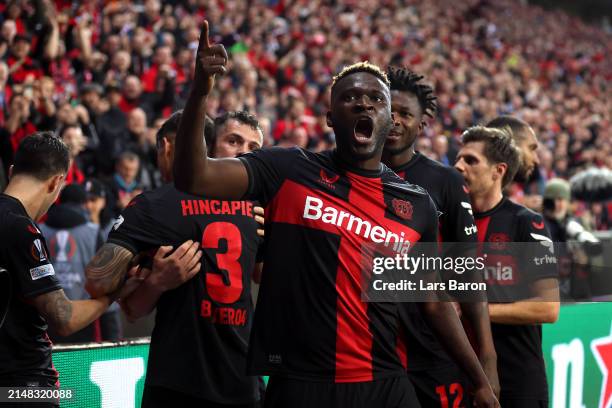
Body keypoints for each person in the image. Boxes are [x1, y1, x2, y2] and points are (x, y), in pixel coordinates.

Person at [172, 21, 498, 408]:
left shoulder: (418, 206)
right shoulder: (287, 169)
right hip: (301, 384)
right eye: (350, 98)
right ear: (329, 118)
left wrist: (479, 379)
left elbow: (433, 301)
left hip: (384, 383)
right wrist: (199, 94)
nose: (363, 103)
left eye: (376, 99)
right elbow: (194, 176)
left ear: (390, 118)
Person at [85, 109, 266, 408]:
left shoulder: (155, 205)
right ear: (207, 144)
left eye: (253, 148)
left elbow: (105, 287)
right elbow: (132, 308)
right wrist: (156, 282)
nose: (243, 154)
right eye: (233, 141)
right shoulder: (255, 209)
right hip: (226, 378)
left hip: (190, 378)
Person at [0, 133, 146, 406]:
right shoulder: (23, 229)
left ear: (11, 172)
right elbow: (63, 318)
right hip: (24, 385)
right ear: (57, 182)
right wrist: (111, 296)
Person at [382, 66, 499, 407]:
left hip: (431, 352)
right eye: (389, 111)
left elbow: (469, 275)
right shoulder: (346, 177)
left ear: (422, 123)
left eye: (405, 114)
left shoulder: (444, 182)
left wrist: (487, 362)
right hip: (366, 352)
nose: (395, 120)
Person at [454, 126, 560, 408]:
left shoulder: (527, 222)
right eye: (459, 158)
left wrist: (475, 311)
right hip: (458, 378)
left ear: (498, 171)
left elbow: (548, 309)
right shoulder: (446, 221)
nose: (458, 166)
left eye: (470, 160)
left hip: (517, 380)